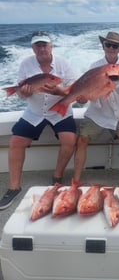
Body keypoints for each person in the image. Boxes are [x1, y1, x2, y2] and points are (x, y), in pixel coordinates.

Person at [0, 31, 77, 210]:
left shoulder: (63, 63)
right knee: (16, 142)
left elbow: (73, 87)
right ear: (33, 48)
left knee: (70, 140)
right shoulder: (26, 64)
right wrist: (22, 92)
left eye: (45, 45)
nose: (42, 48)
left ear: (51, 46)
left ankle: (57, 177)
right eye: (38, 45)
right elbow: (21, 93)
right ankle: (13, 187)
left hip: (60, 110)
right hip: (34, 111)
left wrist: (59, 91)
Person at [73, 32, 119, 186]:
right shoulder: (95, 67)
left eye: (115, 46)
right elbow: (88, 90)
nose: (111, 48)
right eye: (108, 44)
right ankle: (75, 181)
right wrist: (82, 98)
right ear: (103, 46)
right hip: (97, 113)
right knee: (81, 140)